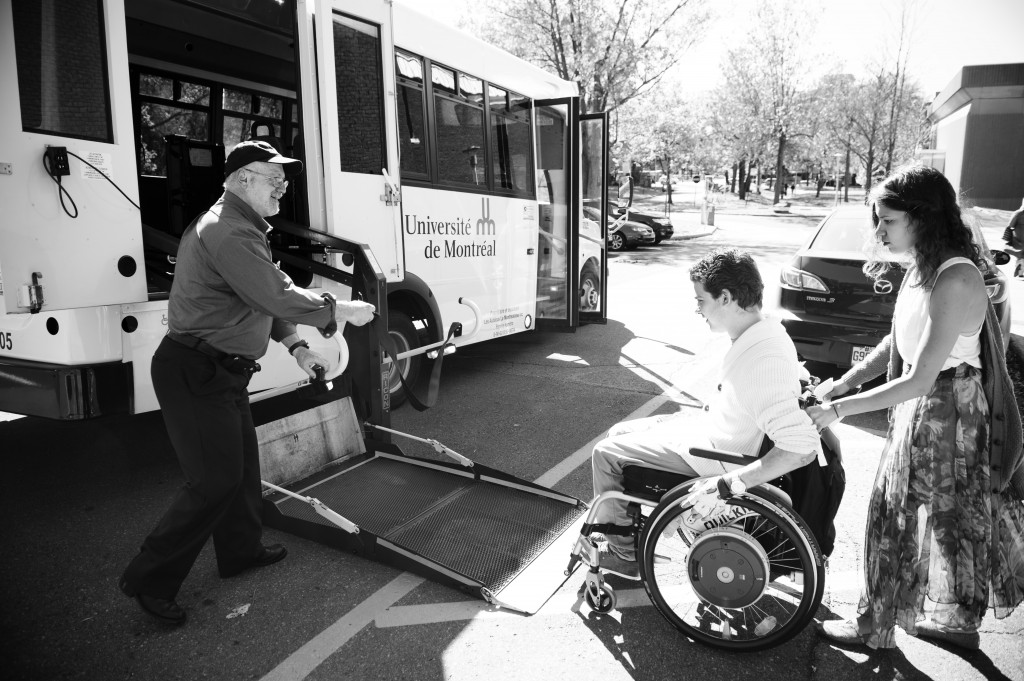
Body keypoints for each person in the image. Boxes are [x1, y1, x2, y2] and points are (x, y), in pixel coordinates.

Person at [119, 141, 376, 625]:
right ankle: (149, 577)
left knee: (238, 470)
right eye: (271, 176)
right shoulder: (228, 230)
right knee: (213, 480)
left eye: (283, 177)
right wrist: (340, 309)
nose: (282, 185)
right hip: (195, 371)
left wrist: (298, 348)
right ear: (240, 180)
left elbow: (259, 296)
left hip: (222, 371)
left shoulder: (243, 228)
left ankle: (239, 551)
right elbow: (275, 294)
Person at [808, 165, 1024, 650]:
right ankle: (959, 625)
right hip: (935, 404)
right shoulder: (923, 268)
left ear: (922, 219)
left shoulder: (953, 279)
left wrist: (839, 412)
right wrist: (840, 385)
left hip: (949, 409)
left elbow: (920, 375)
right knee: (951, 517)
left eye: (888, 220)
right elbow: (897, 344)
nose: (878, 231)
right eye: (876, 220)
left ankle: (875, 626)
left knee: (898, 517)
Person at [590, 248, 821, 578]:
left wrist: (732, 484)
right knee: (618, 434)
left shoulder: (763, 358)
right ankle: (626, 529)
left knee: (605, 454)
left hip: (717, 456)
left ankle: (625, 554)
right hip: (713, 433)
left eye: (701, 300)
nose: (697, 309)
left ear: (725, 297)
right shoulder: (764, 332)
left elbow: (801, 448)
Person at [1001, 197, 1024, 278]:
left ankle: (1020, 268)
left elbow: (1010, 225)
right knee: (1022, 255)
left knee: (1019, 254)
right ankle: (1020, 270)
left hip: (1018, 240)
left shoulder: (1018, 213)